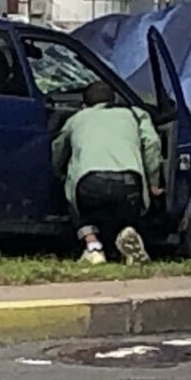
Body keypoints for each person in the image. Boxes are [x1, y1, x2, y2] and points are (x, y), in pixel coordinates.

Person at [51, 81, 163, 265]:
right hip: (129, 183)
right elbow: (152, 144)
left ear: (84, 105)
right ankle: (127, 234)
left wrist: (57, 172)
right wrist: (153, 182)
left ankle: (93, 248)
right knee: (125, 211)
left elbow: (58, 148)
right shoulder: (135, 114)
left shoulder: (77, 119)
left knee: (78, 205)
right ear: (115, 99)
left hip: (90, 183)